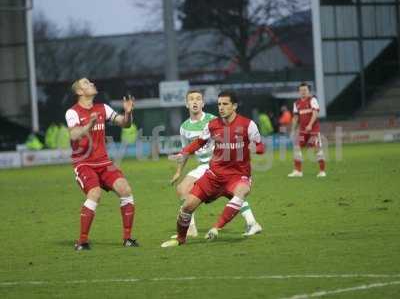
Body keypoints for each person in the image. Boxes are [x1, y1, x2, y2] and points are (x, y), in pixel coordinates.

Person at [161, 91, 265, 247]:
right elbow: (198, 143)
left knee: (241, 192)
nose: (221, 108)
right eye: (219, 104)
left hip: (238, 175)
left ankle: (217, 228)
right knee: (187, 206)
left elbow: (260, 146)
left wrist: (255, 149)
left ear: (234, 106)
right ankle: (181, 239)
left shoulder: (248, 125)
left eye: (225, 104)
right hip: (214, 174)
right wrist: (183, 153)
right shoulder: (212, 125)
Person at [65, 77, 139, 250]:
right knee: (95, 193)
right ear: (79, 92)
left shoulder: (102, 108)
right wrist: (88, 125)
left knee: (125, 190)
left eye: (90, 82)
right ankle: (82, 242)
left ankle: (128, 239)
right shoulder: (72, 112)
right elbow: (74, 134)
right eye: (86, 83)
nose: (91, 84)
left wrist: (128, 113)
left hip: (104, 162)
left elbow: (125, 124)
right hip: (83, 164)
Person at [288, 82, 326, 178]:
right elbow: (296, 117)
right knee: (297, 147)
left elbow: (315, 113)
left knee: (317, 149)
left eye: (305, 90)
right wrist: (293, 129)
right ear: (299, 92)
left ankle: (322, 171)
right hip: (302, 131)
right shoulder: (296, 103)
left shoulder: (312, 100)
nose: (303, 92)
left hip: (313, 131)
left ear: (309, 91)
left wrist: (310, 125)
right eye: (301, 90)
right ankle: (298, 171)